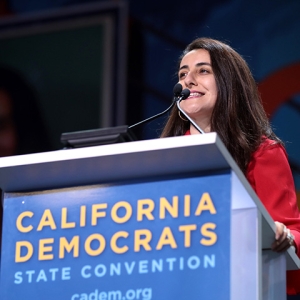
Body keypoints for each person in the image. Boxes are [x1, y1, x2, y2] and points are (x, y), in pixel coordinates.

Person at [161, 37, 300, 298]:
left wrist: (286, 236)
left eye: (203, 70)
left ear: (228, 84)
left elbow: (293, 230)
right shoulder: (160, 159)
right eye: (183, 73)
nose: (188, 80)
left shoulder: (261, 152)